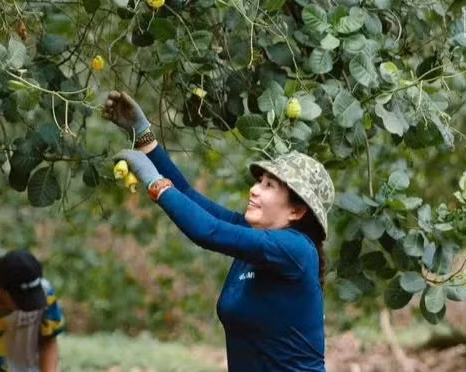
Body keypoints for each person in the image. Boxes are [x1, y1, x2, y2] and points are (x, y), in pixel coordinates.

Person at [103, 91, 335, 371]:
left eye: (269, 186)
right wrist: (144, 137)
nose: (254, 189)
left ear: (296, 212)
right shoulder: (253, 238)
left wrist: (153, 181)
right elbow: (187, 194)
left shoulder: (296, 250)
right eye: (259, 181)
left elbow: (207, 231)